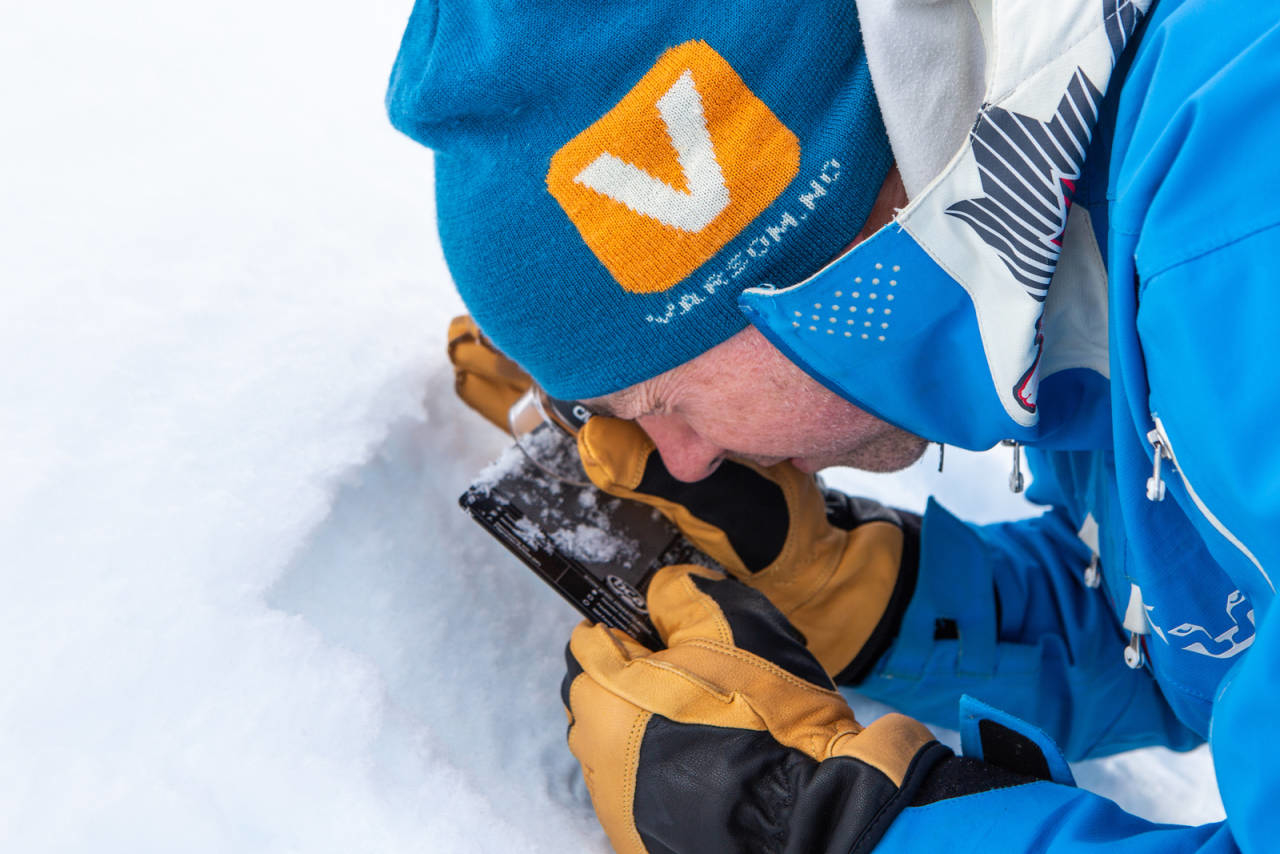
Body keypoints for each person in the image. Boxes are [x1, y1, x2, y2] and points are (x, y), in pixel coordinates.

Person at [387, 0, 1280, 850]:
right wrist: (866, 598)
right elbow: (1213, 630)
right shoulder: (1087, 243)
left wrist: (813, 830)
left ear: (792, 265)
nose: (685, 462)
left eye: (658, 405)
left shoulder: (1243, 236)